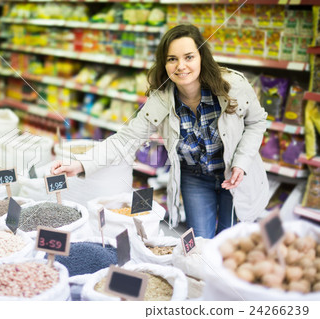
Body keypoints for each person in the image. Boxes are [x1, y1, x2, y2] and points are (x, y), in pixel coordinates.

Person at [51, 24, 269, 239]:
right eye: (172, 59)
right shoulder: (162, 98)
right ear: (164, 64)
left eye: (189, 57)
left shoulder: (233, 85)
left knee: (229, 241)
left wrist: (241, 161)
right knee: (200, 242)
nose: (181, 66)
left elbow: (256, 123)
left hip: (234, 175)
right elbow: (126, 138)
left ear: (202, 56)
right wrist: (80, 164)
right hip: (195, 179)